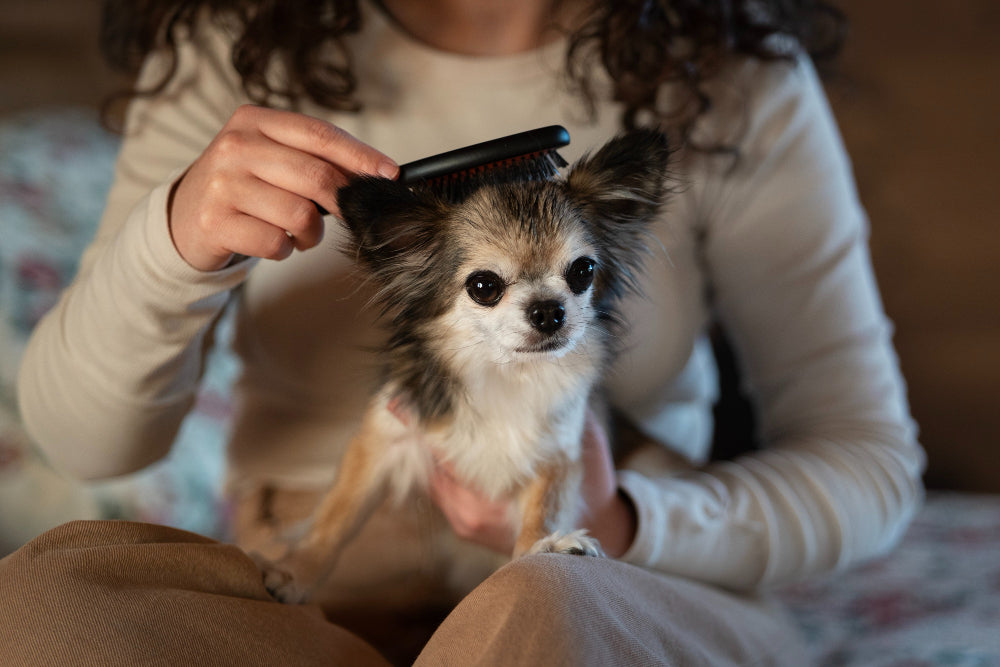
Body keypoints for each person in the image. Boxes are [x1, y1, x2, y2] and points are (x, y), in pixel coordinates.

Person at [3, 0, 925, 664]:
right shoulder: (234, 44)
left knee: (549, 607)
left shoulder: (732, 68)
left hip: (611, 587)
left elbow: (871, 463)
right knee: (42, 609)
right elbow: (85, 442)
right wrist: (172, 242)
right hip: (316, 593)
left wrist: (625, 520)